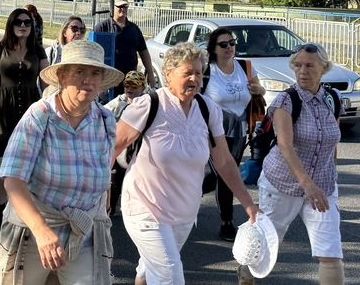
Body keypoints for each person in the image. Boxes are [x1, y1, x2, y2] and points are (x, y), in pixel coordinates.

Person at [114, 42, 258, 285]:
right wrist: (92, 197)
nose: (195, 79)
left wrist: (248, 204)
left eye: (199, 73)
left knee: (150, 271)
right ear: (168, 74)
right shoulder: (149, 105)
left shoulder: (207, 109)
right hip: (144, 207)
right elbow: (112, 147)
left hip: (183, 213)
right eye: (187, 73)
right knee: (170, 275)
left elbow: (223, 161)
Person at [0, 40, 124, 284]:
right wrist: (42, 231)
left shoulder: (105, 120)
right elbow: (13, 180)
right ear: (61, 77)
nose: (88, 79)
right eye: (79, 72)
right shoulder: (40, 115)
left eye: (95, 73)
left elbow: (104, 176)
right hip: (32, 233)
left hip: (82, 233)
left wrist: (102, 217)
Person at [237, 43, 345, 285]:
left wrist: (331, 175)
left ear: (323, 69)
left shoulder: (334, 99)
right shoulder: (287, 101)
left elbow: (332, 140)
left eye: (309, 66)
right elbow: (285, 146)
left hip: (323, 186)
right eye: (298, 65)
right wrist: (307, 185)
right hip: (282, 183)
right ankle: (245, 273)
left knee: (330, 252)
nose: (303, 71)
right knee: (265, 242)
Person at [0, 8, 48, 234]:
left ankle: (23, 211)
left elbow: (47, 86)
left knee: (29, 167)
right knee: (0, 167)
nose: (23, 26)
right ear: (11, 25)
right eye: (18, 22)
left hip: (29, 115)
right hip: (0, 113)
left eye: (27, 22)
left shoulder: (38, 51)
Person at [202, 28, 266, 241]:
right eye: (223, 44)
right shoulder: (207, 70)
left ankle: (194, 193)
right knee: (224, 175)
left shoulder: (245, 66)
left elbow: (260, 90)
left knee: (227, 175)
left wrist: (259, 91)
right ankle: (226, 222)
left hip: (239, 131)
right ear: (214, 49)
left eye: (232, 42)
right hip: (212, 132)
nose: (229, 47)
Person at [104, 70, 147, 216]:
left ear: (142, 88)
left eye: (134, 86)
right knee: (116, 180)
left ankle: (134, 209)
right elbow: (103, 114)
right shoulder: (117, 103)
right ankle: (110, 209)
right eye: (127, 85)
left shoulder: (148, 103)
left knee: (137, 181)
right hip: (120, 150)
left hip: (140, 151)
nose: (129, 89)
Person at [94, 0, 154, 95]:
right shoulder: (103, 27)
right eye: (120, 7)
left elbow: (143, 51)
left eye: (125, 6)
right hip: (109, 81)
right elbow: (93, 52)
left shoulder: (134, 29)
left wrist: (151, 73)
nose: (123, 9)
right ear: (112, 8)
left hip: (130, 81)